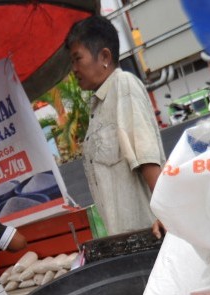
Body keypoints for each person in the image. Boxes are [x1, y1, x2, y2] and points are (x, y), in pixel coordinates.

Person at [65, 15, 166, 238]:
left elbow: (145, 156)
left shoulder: (123, 85)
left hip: (150, 236)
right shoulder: (99, 105)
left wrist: (167, 214)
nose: (74, 69)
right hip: (125, 240)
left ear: (104, 56)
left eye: (77, 59)